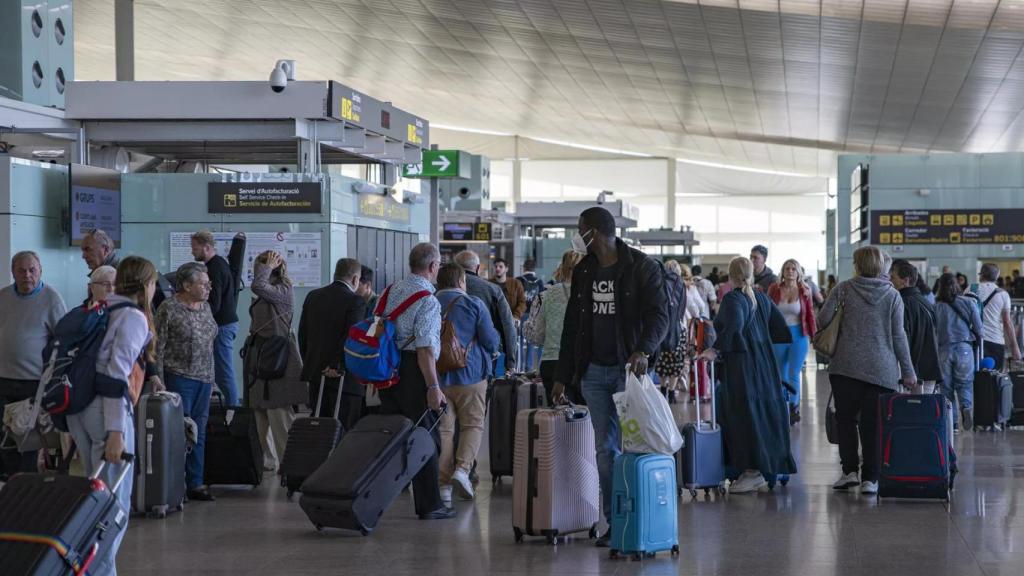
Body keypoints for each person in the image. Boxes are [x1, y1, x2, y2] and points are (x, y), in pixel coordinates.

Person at [554, 206, 668, 547]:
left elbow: (659, 316)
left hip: (628, 373)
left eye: (580, 228)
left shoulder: (641, 267)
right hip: (593, 372)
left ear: (596, 232)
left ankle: (640, 516)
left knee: (635, 445)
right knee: (604, 450)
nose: (577, 235)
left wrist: (644, 350)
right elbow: (572, 326)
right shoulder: (585, 270)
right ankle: (615, 520)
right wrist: (563, 375)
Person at [67, 256, 155, 576]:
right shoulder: (131, 316)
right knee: (113, 507)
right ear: (146, 284)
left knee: (96, 503)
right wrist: (117, 430)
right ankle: (94, 572)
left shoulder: (100, 309)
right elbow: (116, 375)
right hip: (107, 413)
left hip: (80, 411)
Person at [818, 246, 916, 495]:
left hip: (846, 367)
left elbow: (823, 319)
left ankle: (849, 471)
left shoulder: (843, 289)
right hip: (881, 369)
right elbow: (898, 336)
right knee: (873, 425)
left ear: (858, 265)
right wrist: (908, 371)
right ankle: (870, 479)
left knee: (846, 420)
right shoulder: (892, 295)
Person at [703, 257, 795, 494]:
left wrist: (714, 349)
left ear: (730, 275)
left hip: (742, 365)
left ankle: (751, 471)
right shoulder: (761, 298)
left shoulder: (733, 299)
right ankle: (765, 468)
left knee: (741, 415)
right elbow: (779, 328)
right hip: (764, 364)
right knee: (762, 413)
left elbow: (734, 327)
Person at [379, 242, 454, 520]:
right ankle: (430, 504)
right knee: (426, 437)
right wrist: (433, 387)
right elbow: (425, 349)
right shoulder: (427, 300)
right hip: (414, 371)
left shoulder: (390, 291)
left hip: (387, 369)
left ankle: (377, 493)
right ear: (433, 267)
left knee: (394, 435)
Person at [434, 264, 500, 505]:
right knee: (473, 425)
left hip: (437, 378)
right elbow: (491, 341)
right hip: (471, 375)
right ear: (462, 281)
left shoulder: (430, 303)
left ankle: (443, 487)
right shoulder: (474, 304)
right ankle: (462, 470)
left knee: (444, 431)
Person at [155, 262, 219, 502]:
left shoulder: (206, 308)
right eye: (203, 284)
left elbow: (210, 343)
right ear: (186, 285)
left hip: (204, 378)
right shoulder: (168, 308)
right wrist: (158, 379)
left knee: (199, 432)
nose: (208, 288)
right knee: (179, 432)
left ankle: (196, 482)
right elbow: (158, 347)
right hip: (178, 377)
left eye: (208, 283)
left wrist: (214, 381)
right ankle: (173, 482)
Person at [0, 251, 67, 477]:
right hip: (3, 378)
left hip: (34, 382)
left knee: (28, 436)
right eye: (21, 270)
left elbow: (62, 340)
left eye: (32, 270)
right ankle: (6, 480)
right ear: (13, 272)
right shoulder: (3, 296)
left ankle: (26, 481)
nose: (27, 275)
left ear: (40, 272)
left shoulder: (52, 298)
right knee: (4, 435)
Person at [245, 251, 307, 472]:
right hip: (262, 357)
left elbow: (258, 286)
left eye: (258, 267)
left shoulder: (283, 290)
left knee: (279, 414)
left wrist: (267, 266)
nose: (256, 271)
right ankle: (268, 461)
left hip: (279, 359)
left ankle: (289, 463)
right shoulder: (267, 292)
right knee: (260, 411)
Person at [299, 258, 367, 431]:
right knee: (344, 433)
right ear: (354, 279)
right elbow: (351, 338)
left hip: (316, 375)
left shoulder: (313, 296)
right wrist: (336, 365)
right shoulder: (355, 301)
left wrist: (312, 363)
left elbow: (303, 335)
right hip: (344, 379)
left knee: (320, 431)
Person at [191, 230, 242, 406]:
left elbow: (214, 303)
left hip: (222, 326)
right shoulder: (219, 264)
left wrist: (194, 313)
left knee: (224, 373)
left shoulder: (214, 268)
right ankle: (232, 409)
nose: (192, 252)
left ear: (206, 247)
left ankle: (234, 412)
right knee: (221, 372)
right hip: (225, 324)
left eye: (195, 248)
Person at [767, 259, 816, 424]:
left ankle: (793, 409)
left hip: (799, 335)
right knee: (781, 374)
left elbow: (809, 314)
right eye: (787, 268)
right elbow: (768, 312)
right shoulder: (774, 289)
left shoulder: (805, 290)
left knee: (794, 372)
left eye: (793, 269)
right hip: (778, 336)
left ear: (798, 272)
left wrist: (814, 335)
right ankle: (782, 406)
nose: (790, 271)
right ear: (782, 271)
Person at [933, 273, 983, 432]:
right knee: (964, 384)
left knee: (946, 388)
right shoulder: (968, 302)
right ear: (956, 285)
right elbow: (979, 329)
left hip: (943, 350)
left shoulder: (936, 306)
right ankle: (966, 407)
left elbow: (933, 330)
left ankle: (952, 423)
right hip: (964, 349)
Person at [454, 251, 517, 373]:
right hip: (484, 354)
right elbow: (508, 325)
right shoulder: (493, 289)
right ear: (477, 268)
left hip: (447, 353)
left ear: (456, 268)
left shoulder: (439, 289)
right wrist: (510, 362)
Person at [535, 250, 583, 403]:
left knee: (559, 422)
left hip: (551, 362)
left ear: (562, 267)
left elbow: (537, 334)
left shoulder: (548, 294)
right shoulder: (589, 294)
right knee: (586, 420)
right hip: (581, 364)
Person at [891, 260, 942, 393]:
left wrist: (905, 370)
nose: (891, 281)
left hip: (913, 373)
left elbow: (902, 337)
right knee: (926, 411)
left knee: (909, 411)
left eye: (893, 277)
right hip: (930, 369)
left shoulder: (902, 303)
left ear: (905, 280)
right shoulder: (925, 302)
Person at [654, 260, 689, 404]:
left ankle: (662, 389)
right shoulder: (682, 285)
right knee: (676, 362)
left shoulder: (659, 283)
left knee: (662, 361)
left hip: (661, 330)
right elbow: (687, 308)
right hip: (678, 329)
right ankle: (672, 393)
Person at [977, 263, 1022, 371]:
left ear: (981, 275)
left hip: (974, 340)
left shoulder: (970, 289)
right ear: (997, 276)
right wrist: (1015, 347)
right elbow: (1007, 322)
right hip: (995, 341)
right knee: (995, 379)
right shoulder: (1003, 294)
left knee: (974, 379)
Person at [491, 258, 526, 322]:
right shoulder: (488, 283)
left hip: (511, 319)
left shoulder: (516, 283)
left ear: (506, 269)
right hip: (493, 321)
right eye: (495, 266)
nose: (497, 269)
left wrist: (516, 316)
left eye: (500, 267)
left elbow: (522, 302)